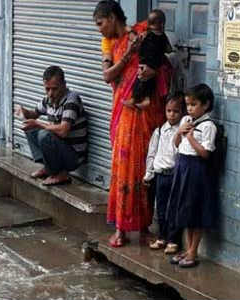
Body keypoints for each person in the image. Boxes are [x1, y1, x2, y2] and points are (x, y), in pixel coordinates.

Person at [94, 0, 173, 248]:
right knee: (125, 168)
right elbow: (108, 75)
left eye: (100, 23)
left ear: (112, 17)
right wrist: (129, 52)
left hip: (148, 111)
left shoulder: (142, 32)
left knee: (145, 170)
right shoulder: (110, 44)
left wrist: (155, 71)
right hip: (125, 112)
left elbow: (166, 60)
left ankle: (143, 226)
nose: (99, 29)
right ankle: (121, 227)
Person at [167, 84, 218, 268]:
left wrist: (191, 138)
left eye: (194, 104)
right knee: (186, 212)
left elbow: (205, 153)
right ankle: (188, 249)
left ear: (205, 105)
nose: (189, 108)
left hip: (197, 170)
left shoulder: (208, 126)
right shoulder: (186, 120)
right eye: (188, 104)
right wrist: (180, 134)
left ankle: (193, 251)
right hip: (183, 166)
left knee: (196, 212)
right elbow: (176, 144)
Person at [15, 66, 88, 186]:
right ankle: (48, 168)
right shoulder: (49, 99)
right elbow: (34, 114)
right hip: (61, 150)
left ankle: (61, 174)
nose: (50, 93)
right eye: (47, 89)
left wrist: (38, 123)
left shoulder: (71, 100)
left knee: (44, 134)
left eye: (54, 89)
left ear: (64, 85)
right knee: (31, 128)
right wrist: (23, 111)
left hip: (73, 157)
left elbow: (64, 130)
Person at [143, 92, 185, 254]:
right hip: (160, 175)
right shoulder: (159, 131)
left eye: (176, 111)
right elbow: (152, 154)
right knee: (160, 207)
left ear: (182, 113)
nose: (172, 115)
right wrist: (149, 173)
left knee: (174, 208)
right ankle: (162, 237)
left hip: (175, 174)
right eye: (169, 111)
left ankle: (173, 239)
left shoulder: (182, 131)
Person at [131, 9, 173, 109]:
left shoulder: (147, 34)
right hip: (152, 64)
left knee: (141, 80)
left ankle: (139, 99)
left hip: (147, 63)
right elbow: (169, 49)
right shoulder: (161, 36)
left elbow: (138, 45)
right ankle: (142, 99)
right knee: (146, 81)